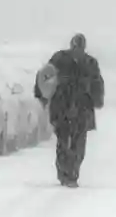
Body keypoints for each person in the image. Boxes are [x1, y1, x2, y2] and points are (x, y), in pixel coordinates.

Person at [34, 33, 104, 187]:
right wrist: (97, 100)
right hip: (69, 108)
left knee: (70, 143)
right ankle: (68, 173)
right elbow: (46, 76)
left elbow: (45, 76)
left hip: (72, 108)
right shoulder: (76, 61)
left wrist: (42, 96)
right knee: (69, 142)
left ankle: (69, 173)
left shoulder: (64, 59)